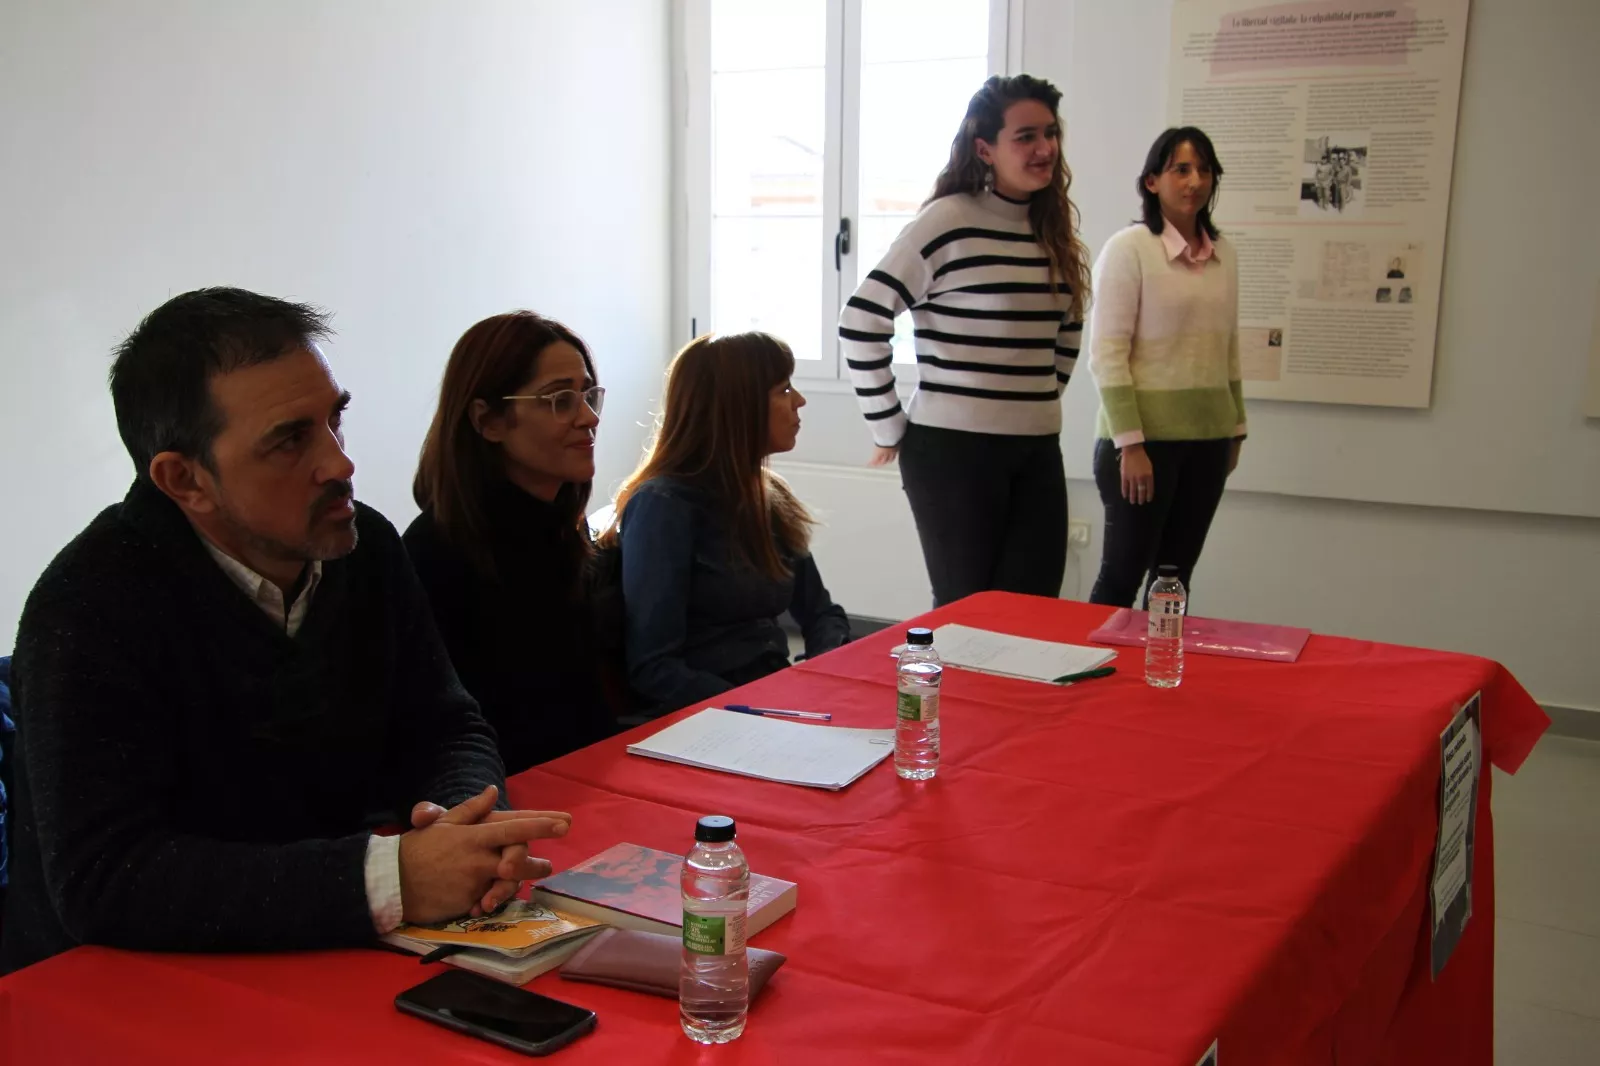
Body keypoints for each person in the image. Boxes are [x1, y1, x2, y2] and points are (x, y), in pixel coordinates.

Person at [1, 288, 570, 974]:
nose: (339, 464)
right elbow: (103, 878)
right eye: (290, 440)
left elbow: (444, 724)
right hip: (124, 988)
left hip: (322, 946)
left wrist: (466, 824)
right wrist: (388, 878)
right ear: (185, 480)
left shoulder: (366, 550)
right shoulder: (91, 604)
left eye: (335, 420)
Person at [839, 73, 1090, 607]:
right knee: (967, 616)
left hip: (1037, 448)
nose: (1044, 148)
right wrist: (888, 428)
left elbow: (1068, 328)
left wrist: (1035, 399)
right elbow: (862, 318)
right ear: (986, 148)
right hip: (952, 451)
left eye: (1050, 133)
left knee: (1033, 612)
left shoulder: (1052, 229)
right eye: (1025, 136)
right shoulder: (948, 220)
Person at [404, 312, 618, 776]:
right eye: (560, 399)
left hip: (588, 776)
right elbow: (447, 735)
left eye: (587, 394)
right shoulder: (435, 552)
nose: (589, 417)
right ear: (489, 421)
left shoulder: (565, 529)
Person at [603, 332, 850, 715]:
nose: (799, 401)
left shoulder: (768, 495)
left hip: (769, 695)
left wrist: (819, 675)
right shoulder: (663, 506)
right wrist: (760, 711)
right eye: (784, 390)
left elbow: (822, 614)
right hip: (705, 715)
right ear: (738, 408)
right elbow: (654, 668)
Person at [1086, 128, 1245, 608]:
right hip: (1140, 446)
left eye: (1204, 170)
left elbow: (1229, 346)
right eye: (1181, 169)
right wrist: (1130, 444)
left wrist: (1235, 428)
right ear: (1153, 181)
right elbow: (1106, 353)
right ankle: (1091, 677)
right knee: (1121, 579)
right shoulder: (1130, 248)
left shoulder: (1224, 254)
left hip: (1209, 442)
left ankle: (1157, 678)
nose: (1195, 180)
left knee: (1173, 582)